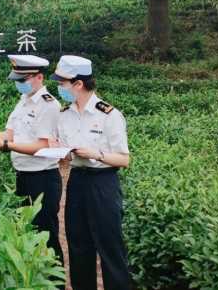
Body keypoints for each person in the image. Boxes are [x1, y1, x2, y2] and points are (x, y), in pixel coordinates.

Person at [51, 55, 132, 290]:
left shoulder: (109, 115)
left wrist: (96, 154)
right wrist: (62, 153)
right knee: (78, 245)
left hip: (103, 184)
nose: (59, 88)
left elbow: (124, 159)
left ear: (78, 84)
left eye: (62, 83)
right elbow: (67, 155)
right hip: (77, 182)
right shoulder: (64, 116)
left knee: (110, 246)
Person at [0, 54, 63, 265]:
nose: (19, 84)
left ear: (39, 78)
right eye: (17, 80)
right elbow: (11, 134)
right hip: (23, 176)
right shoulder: (23, 102)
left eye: (23, 80)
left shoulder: (49, 105)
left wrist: (5, 146)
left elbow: (43, 146)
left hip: (43, 179)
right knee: (27, 232)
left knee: (46, 237)